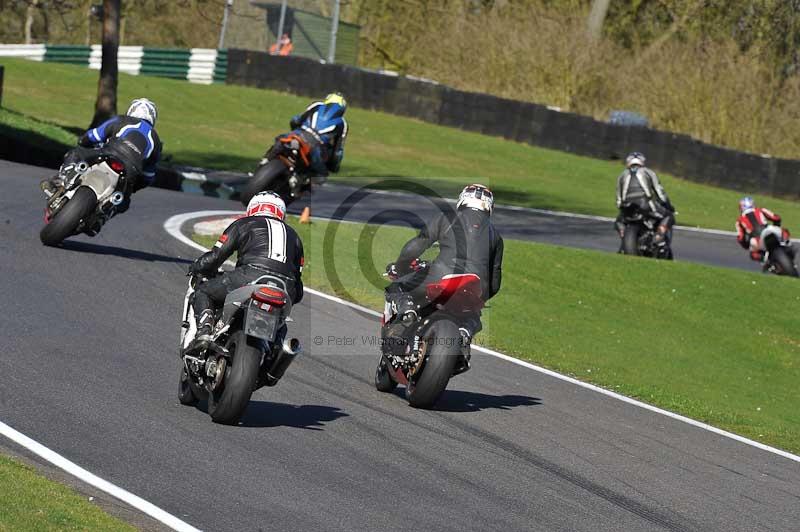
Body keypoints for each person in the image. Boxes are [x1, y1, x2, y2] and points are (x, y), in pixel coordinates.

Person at [385, 184, 503, 340]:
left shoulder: (447, 218)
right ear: (489, 207)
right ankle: (465, 332)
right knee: (473, 315)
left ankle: (407, 312)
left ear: (463, 200)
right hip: (475, 286)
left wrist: (400, 267)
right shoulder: (496, 236)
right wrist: (481, 297)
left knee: (397, 286)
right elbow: (495, 282)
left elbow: (416, 246)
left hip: (442, 273)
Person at [188, 191, 305, 346]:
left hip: (249, 277)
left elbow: (216, 257)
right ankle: (276, 353)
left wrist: (197, 266)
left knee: (202, 291)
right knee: (282, 324)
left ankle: (205, 331)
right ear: (282, 213)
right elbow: (298, 287)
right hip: (285, 288)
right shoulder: (295, 236)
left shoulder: (244, 223)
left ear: (252, 209)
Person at [41, 98, 162, 216]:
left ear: (131, 110)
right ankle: (103, 215)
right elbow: (148, 176)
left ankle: (61, 180)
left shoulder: (121, 120)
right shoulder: (156, 141)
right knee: (124, 203)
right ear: (153, 118)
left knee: (76, 153)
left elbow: (94, 135)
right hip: (130, 172)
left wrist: (83, 141)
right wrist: (133, 187)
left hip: (107, 154)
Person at [615, 151, 675, 249]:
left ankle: (623, 233)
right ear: (642, 161)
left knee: (618, 221)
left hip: (627, 207)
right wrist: (667, 203)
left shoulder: (621, 175)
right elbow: (659, 191)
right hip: (646, 204)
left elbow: (618, 198)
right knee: (668, 215)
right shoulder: (648, 172)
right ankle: (659, 235)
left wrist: (621, 208)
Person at [287, 92, 348, 179]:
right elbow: (338, 151)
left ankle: (266, 160)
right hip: (316, 146)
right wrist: (334, 167)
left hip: (299, 134)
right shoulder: (342, 123)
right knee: (321, 175)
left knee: (281, 139)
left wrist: (295, 129)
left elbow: (296, 120)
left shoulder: (316, 105)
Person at [735, 196, 791, 262]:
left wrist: (746, 245)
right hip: (768, 230)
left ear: (741, 207)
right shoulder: (760, 210)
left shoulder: (739, 221)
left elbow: (740, 238)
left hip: (756, 240)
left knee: (753, 254)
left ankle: (766, 261)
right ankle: (786, 243)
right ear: (752, 204)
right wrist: (776, 226)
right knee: (784, 231)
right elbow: (776, 218)